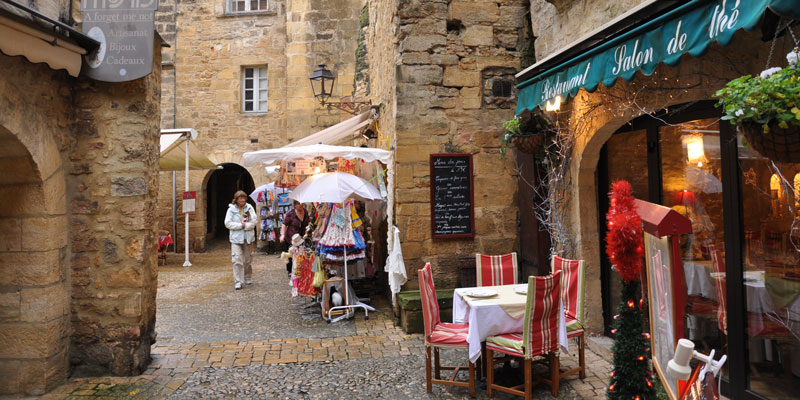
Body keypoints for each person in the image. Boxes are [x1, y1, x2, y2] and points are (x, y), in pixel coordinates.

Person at [224, 190, 257, 290]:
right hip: (236, 238)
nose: (242, 200)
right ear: (236, 199)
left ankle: (247, 277)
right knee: (237, 259)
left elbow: (254, 221)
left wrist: (246, 225)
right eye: (240, 198)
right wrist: (239, 225)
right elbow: (227, 223)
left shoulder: (249, 208)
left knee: (247, 259)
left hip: (248, 237)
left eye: (244, 198)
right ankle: (238, 281)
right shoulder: (231, 210)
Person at [280, 200, 309, 277]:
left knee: (301, 252)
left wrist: (307, 233)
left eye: (302, 203)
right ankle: (290, 271)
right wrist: (282, 235)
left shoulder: (305, 212)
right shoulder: (291, 214)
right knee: (291, 254)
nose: (301, 205)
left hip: (301, 237)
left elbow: (307, 224)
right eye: (298, 204)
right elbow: (284, 225)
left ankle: (299, 269)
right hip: (290, 237)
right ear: (295, 205)